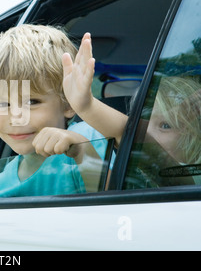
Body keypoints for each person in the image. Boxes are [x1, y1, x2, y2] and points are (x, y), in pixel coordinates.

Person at [0, 24, 112, 198]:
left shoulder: (87, 138)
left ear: (68, 104)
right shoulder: (0, 185)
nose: (16, 117)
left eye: (31, 101)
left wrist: (81, 152)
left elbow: (113, 197)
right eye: (3, 105)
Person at [62, 32, 201, 185]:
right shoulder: (128, 171)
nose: (146, 131)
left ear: (195, 137)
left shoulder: (188, 177)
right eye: (142, 120)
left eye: (165, 125)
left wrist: (87, 106)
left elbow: (134, 137)